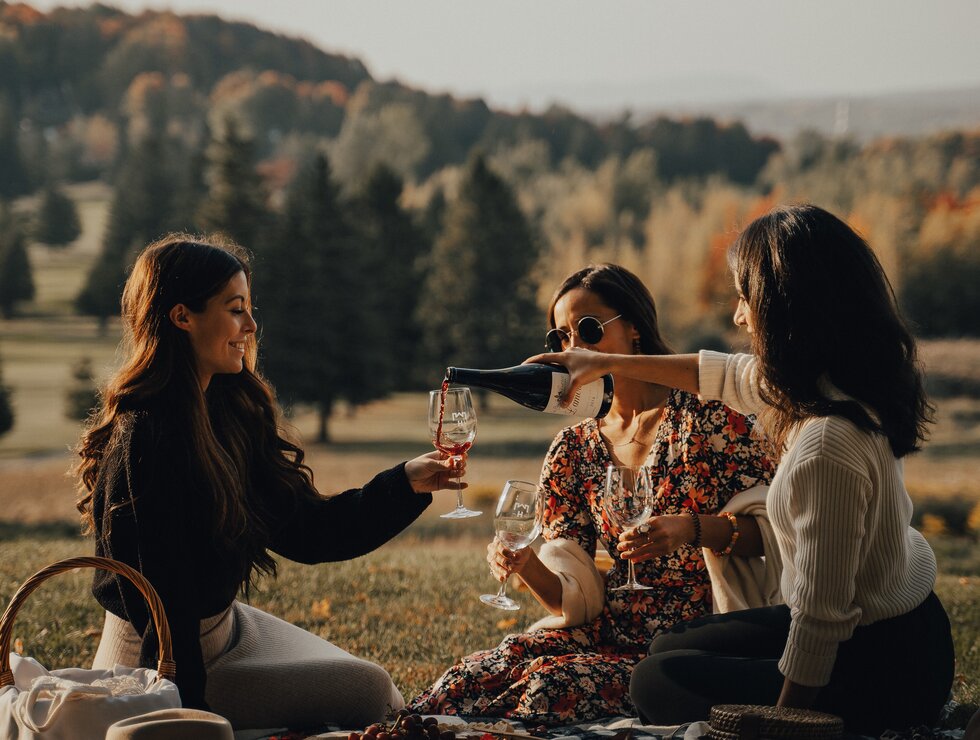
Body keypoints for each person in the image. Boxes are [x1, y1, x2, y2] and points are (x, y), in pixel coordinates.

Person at [532, 206, 955, 735]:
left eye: (744, 298)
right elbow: (721, 374)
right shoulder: (822, 385)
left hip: (886, 660)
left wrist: (781, 719)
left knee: (653, 681)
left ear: (786, 310)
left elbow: (821, 619)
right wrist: (605, 363)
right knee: (668, 646)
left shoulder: (828, 443)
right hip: (885, 619)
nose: (738, 316)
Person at [74, 234, 464, 729]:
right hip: (161, 660)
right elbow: (162, 604)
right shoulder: (147, 438)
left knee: (382, 691)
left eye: (249, 309)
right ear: (181, 317)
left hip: (226, 627)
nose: (251, 326)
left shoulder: (229, 410)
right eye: (236, 309)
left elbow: (310, 529)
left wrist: (405, 484)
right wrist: (185, 716)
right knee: (368, 693)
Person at [409, 264, 775, 723]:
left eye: (587, 329)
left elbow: (777, 535)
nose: (574, 348)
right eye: (560, 337)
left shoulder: (713, 421)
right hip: (606, 629)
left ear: (635, 328)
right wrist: (526, 565)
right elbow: (572, 599)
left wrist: (692, 529)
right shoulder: (572, 450)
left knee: (547, 684)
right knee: (475, 674)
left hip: (690, 642)